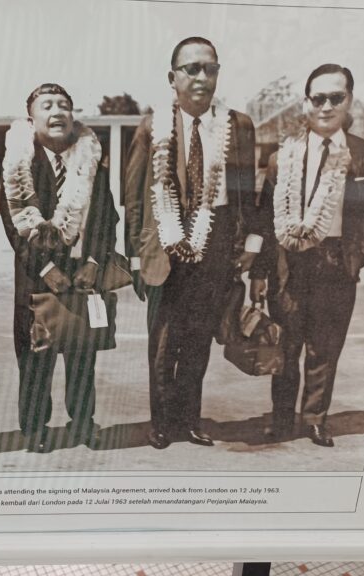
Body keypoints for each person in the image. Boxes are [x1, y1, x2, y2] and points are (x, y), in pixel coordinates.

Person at [124, 37, 262, 449]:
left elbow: (247, 191)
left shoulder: (239, 126)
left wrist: (251, 243)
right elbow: (134, 198)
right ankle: (161, 422)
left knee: (199, 337)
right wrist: (135, 257)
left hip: (215, 243)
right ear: (173, 78)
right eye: (192, 68)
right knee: (164, 340)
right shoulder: (151, 127)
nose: (202, 76)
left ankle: (188, 419)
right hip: (164, 244)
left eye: (210, 68)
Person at [252, 63, 364, 447]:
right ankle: (281, 418)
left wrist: (359, 257)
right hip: (289, 263)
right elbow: (264, 219)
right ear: (306, 102)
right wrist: (259, 272)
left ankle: (314, 419)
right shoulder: (284, 156)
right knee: (286, 345)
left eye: (335, 98)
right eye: (318, 98)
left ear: (349, 100)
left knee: (325, 348)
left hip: (337, 262)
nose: (326, 106)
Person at [0, 83, 119, 453]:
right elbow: (14, 226)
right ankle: (35, 428)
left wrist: (94, 263)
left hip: (82, 277)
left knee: (83, 357)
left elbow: (106, 218)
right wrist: (47, 268)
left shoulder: (90, 161)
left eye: (64, 105)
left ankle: (83, 422)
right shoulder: (17, 163)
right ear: (31, 117)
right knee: (36, 359)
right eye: (47, 105)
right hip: (36, 277)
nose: (57, 112)